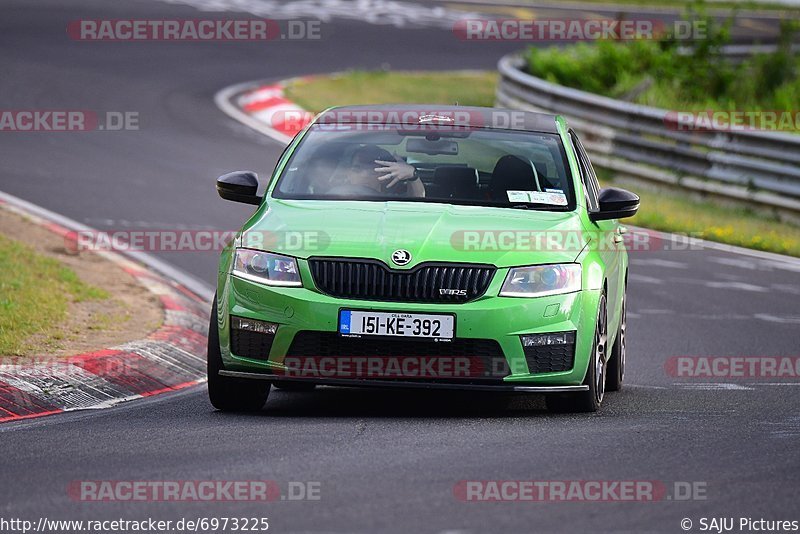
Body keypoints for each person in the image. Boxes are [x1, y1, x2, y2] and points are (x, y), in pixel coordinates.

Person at [328, 145, 425, 198]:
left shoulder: (393, 202)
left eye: (373, 171)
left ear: (387, 175)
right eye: (357, 170)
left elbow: (417, 200)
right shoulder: (331, 197)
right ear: (348, 173)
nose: (364, 175)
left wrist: (412, 175)